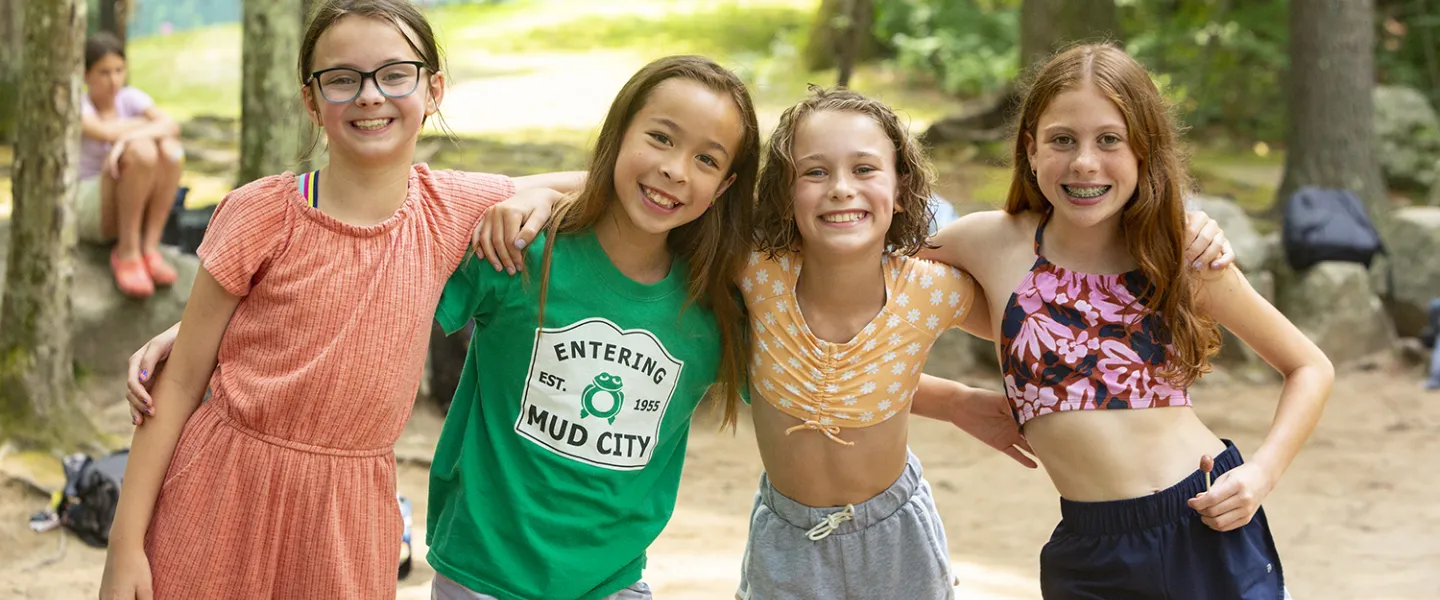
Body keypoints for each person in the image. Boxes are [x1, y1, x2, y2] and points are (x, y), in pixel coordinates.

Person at [98, 1, 581, 598]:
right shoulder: (259, 214)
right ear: (311, 101)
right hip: (219, 491)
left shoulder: (448, 209)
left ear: (433, 90)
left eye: (394, 74)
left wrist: (536, 200)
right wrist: (124, 546)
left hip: (344, 519)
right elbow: (175, 384)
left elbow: (603, 185)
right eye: (343, 79)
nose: (370, 95)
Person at [733, 86, 1236, 600]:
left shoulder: (928, 287)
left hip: (894, 536)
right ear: (783, 191)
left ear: (902, 189)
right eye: (815, 172)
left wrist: (1175, 231)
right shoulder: (751, 274)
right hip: (786, 537)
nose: (841, 188)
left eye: (864, 169)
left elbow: (1053, 324)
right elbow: (809, 373)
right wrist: (954, 402)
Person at [923, 43, 1332, 599]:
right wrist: (949, 402)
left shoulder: (1178, 252)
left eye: (1109, 140)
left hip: (1202, 523)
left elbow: (1309, 365)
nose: (1084, 162)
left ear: (1144, 150)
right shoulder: (987, 242)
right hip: (1088, 552)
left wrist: (1261, 473)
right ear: (1031, 149)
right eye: (1062, 139)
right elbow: (859, 302)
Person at [79, 31, 185, 298]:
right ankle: (127, 251)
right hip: (90, 204)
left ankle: (149, 248)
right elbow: (103, 132)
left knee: (171, 151)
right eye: (104, 72)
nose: (113, 80)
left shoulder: (130, 98)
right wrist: (140, 131)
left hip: (127, 196)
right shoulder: (79, 106)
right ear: (86, 75)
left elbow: (171, 126)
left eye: (118, 70)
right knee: (143, 151)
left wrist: (124, 139)